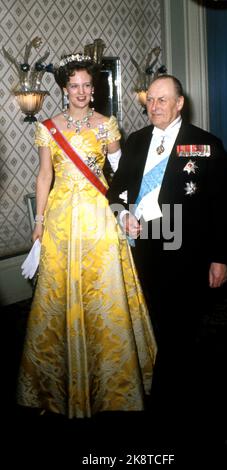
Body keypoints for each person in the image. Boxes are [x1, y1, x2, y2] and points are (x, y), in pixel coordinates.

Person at [17, 53, 156, 419]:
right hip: (62, 216)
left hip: (98, 213)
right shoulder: (48, 127)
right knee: (58, 293)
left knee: (104, 290)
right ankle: (57, 380)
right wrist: (39, 222)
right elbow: (44, 177)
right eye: (73, 86)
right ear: (65, 89)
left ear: (94, 90)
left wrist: (125, 210)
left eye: (86, 86)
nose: (80, 92)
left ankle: (113, 377)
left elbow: (120, 171)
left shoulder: (106, 125)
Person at [107, 74, 227, 434]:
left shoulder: (204, 145)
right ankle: (177, 390)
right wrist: (123, 214)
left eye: (163, 100)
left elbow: (225, 207)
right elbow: (115, 190)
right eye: (150, 100)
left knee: (178, 326)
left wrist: (221, 257)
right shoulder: (136, 142)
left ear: (180, 103)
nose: (155, 106)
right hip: (147, 245)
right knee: (160, 321)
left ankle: (169, 407)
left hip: (189, 248)